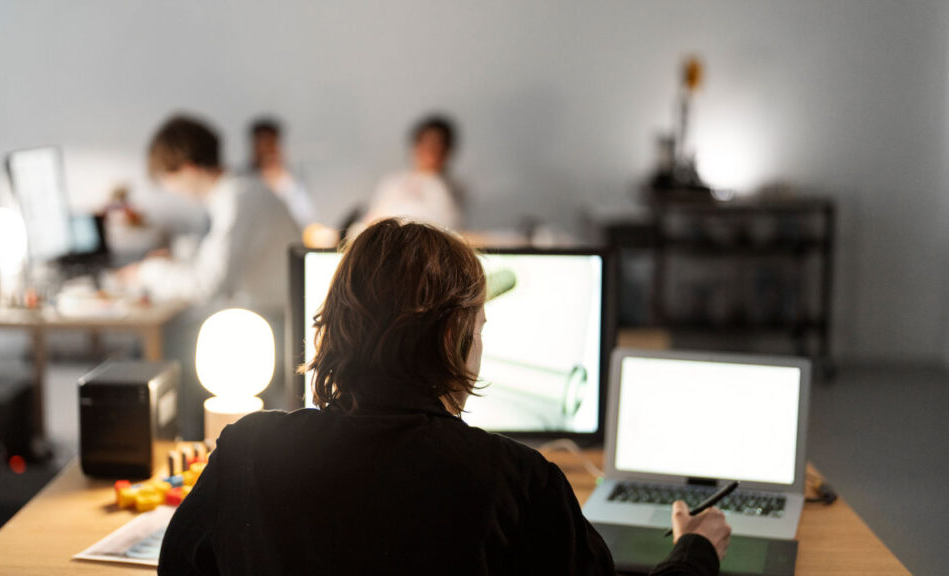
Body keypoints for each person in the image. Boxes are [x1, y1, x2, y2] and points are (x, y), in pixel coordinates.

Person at [159, 218, 731, 575]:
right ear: (457, 341)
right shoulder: (520, 483)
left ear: (333, 328)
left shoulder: (247, 452)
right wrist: (694, 552)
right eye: (478, 327)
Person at [119, 114, 300, 438]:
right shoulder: (242, 192)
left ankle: (180, 443)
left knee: (171, 344)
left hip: (275, 320)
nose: (171, 191)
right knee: (173, 335)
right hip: (271, 311)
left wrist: (147, 272)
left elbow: (208, 283)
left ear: (186, 169)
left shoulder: (238, 199)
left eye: (167, 181)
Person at [361, 114, 465, 230]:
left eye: (436, 147)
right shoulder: (392, 183)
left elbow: (451, 224)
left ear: (447, 151)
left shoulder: (452, 188)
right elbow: (373, 219)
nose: (430, 152)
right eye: (425, 145)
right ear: (415, 147)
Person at [249, 117, 317, 232]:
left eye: (269, 145)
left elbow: (306, 221)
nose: (266, 151)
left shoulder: (290, 184)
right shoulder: (242, 185)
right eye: (261, 146)